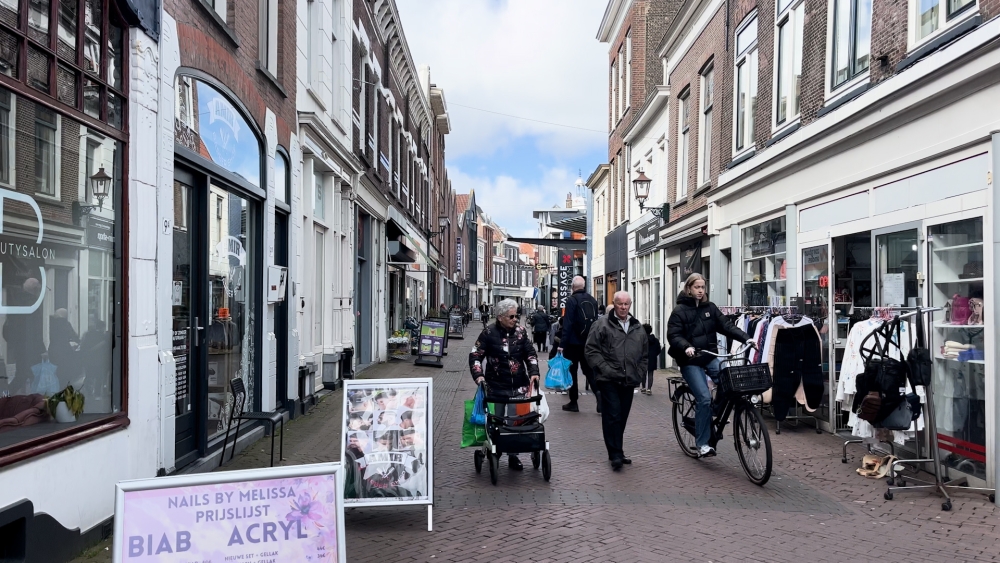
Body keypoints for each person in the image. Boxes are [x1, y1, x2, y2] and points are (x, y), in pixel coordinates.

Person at [667, 273, 755, 458]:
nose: (700, 291)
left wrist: (747, 339)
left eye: (702, 287)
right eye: (696, 287)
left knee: (730, 381)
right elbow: (674, 336)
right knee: (704, 398)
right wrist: (686, 347)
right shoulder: (679, 311)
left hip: (708, 356)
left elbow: (727, 326)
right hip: (690, 360)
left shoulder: (710, 308)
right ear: (689, 288)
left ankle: (714, 411)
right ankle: (702, 444)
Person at [469, 298, 540, 470]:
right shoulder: (488, 333)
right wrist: (479, 376)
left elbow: (530, 355)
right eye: (512, 316)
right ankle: (496, 449)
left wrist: (534, 373)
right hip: (496, 385)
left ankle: (513, 455)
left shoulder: (521, 332)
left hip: (519, 386)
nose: (516, 319)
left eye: (517, 315)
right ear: (500, 317)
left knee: (516, 422)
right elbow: (475, 355)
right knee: (497, 420)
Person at [584, 291, 647, 471]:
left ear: (630, 305)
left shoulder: (637, 327)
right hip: (608, 379)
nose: (623, 307)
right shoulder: (601, 324)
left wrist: (640, 373)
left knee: (622, 416)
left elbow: (644, 354)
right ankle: (615, 454)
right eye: (620, 304)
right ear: (614, 304)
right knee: (612, 414)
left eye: (626, 304)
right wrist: (606, 370)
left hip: (629, 379)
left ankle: (618, 449)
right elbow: (591, 350)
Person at [559, 276, 600, 413]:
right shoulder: (592, 300)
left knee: (572, 372)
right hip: (588, 342)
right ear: (584, 286)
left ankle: (574, 402)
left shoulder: (572, 300)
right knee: (589, 371)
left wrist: (562, 343)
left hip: (572, 343)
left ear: (572, 287)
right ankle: (599, 397)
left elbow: (568, 323)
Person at [641, 324, 661, 396]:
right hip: (652, 358)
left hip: (644, 357)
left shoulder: (642, 339)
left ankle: (643, 387)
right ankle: (649, 389)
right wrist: (654, 355)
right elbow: (658, 350)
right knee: (650, 373)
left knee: (643, 373)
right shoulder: (655, 340)